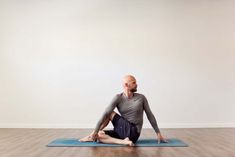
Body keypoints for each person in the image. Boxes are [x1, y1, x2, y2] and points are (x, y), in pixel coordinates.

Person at [79, 75, 167, 146]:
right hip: (121, 131)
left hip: (134, 131)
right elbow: (105, 114)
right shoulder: (118, 98)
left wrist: (158, 132)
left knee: (110, 114)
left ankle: (92, 135)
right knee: (99, 135)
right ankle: (124, 141)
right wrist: (96, 131)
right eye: (134, 83)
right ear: (126, 85)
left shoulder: (141, 98)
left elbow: (149, 115)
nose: (136, 84)